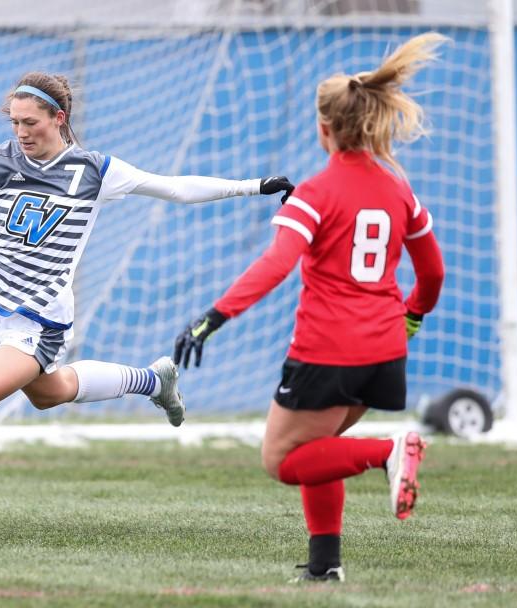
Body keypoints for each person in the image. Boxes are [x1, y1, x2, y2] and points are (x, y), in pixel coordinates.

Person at [0, 72, 295, 524]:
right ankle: (153, 382)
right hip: (0, 308)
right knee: (48, 393)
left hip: (39, 321)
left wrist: (252, 186)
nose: (21, 133)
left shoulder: (95, 171)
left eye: (30, 123)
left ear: (58, 119)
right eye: (14, 122)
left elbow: (174, 187)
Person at [174, 33, 447, 583]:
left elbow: (276, 265)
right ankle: (325, 568)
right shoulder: (400, 191)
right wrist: (413, 316)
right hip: (386, 351)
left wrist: (213, 318)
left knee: (282, 460)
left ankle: (390, 452)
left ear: (324, 128)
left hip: (329, 352)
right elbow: (434, 272)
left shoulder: (316, 193)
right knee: (320, 448)